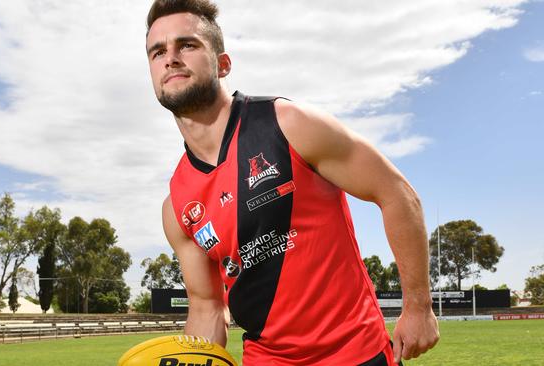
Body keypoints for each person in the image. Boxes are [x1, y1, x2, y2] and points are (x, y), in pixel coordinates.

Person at [146, 0, 439, 364]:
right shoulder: (177, 206)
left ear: (223, 64)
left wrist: (418, 306)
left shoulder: (288, 124)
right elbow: (206, 307)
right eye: (157, 52)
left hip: (355, 352)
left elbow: (397, 194)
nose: (170, 58)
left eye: (186, 45)